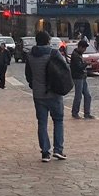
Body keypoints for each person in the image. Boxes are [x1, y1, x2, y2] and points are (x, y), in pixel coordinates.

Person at [24, 30, 69, 161]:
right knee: (58, 121)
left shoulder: (30, 55)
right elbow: (64, 68)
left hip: (38, 94)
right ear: (48, 41)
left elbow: (28, 75)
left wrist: (34, 85)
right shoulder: (53, 53)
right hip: (54, 92)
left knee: (42, 123)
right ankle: (58, 149)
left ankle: (45, 152)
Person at [69, 39, 94, 119]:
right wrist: (86, 64)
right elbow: (79, 67)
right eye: (84, 48)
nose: (84, 50)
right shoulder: (76, 55)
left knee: (87, 95)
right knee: (78, 95)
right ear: (80, 47)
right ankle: (75, 112)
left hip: (82, 77)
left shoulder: (78, 54)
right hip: (78, 77)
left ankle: (87, 113)